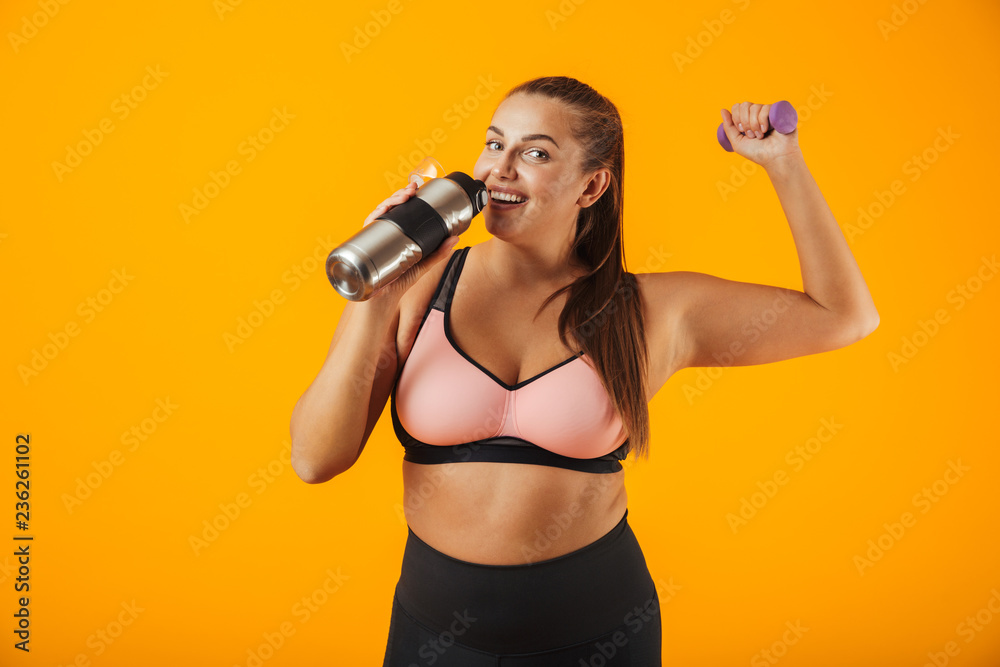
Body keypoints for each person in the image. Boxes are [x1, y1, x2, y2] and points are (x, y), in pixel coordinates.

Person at [289, 76, 879, 665]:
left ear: (592, 185)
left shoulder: (653, 312)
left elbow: (843, 317)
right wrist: (376, 297)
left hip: (599, 639)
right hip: (434, 641)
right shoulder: (417, 291)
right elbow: (316, 459)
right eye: (495, 145)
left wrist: (784, 162)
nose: (500, 170)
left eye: (536, 153)